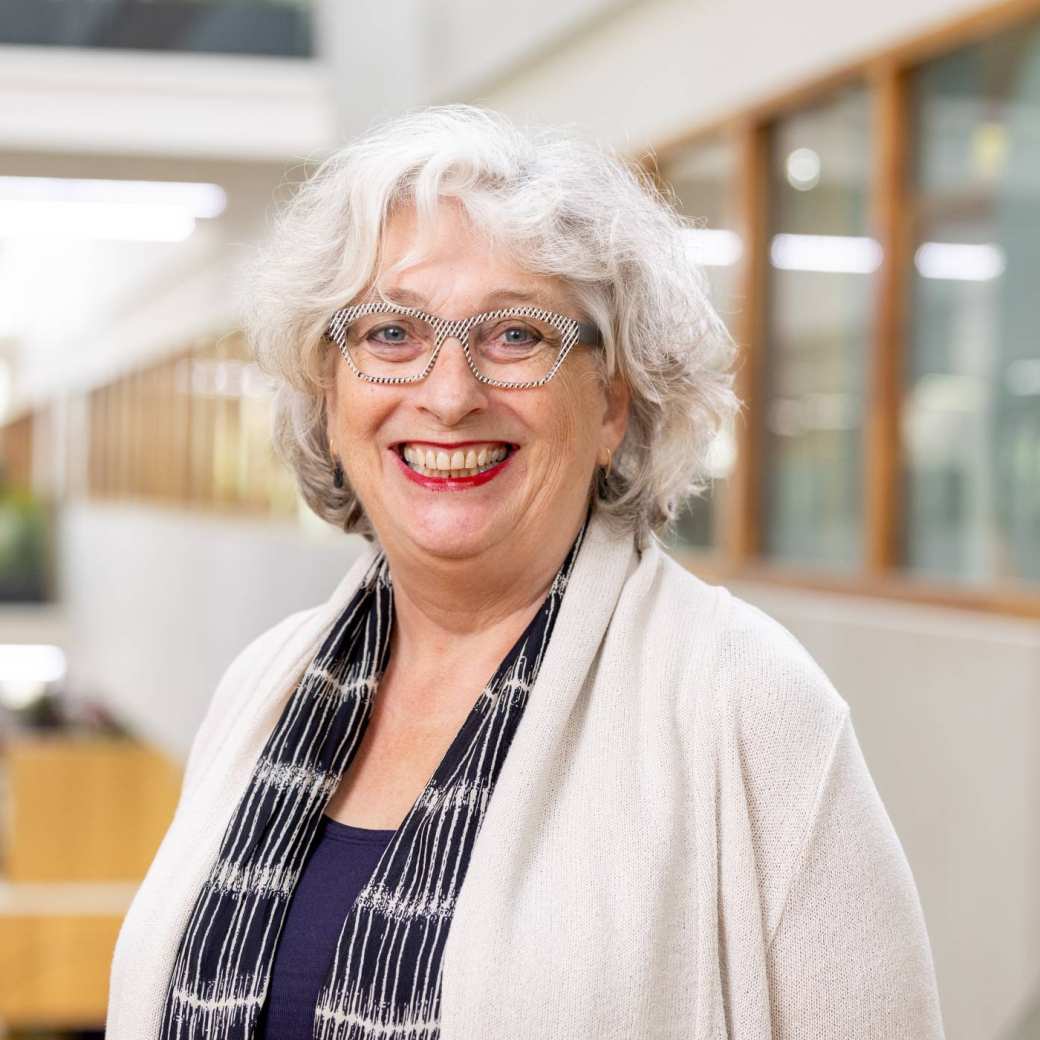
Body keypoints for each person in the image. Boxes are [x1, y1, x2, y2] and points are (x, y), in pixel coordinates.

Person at [106, 105, 945, 1040]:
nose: (450, 393)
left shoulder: (746, 704)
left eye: (516, 337)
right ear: (329, 393)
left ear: (614, 404)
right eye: (390, 335)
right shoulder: (265, 683)